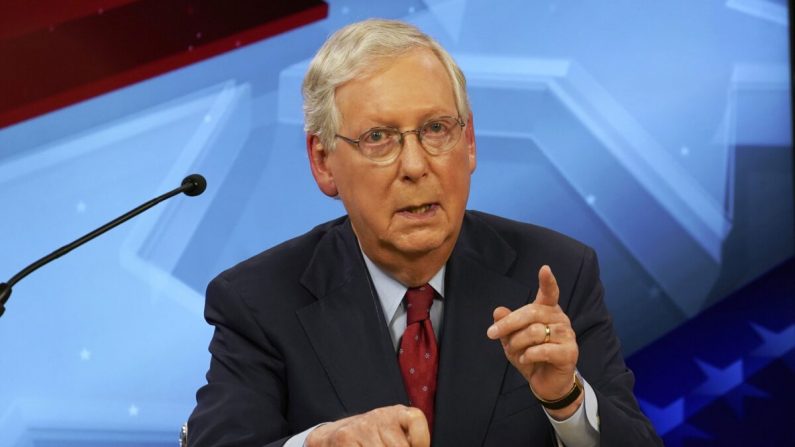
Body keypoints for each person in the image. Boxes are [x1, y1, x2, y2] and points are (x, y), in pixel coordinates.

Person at [187, 19, 662, 446]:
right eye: (378, 138)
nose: (415, 166)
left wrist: (568, 402)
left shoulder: (556, 273)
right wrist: (318, 445)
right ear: (323, 161)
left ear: (469, 142)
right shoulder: (258, 302)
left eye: (436, 129)